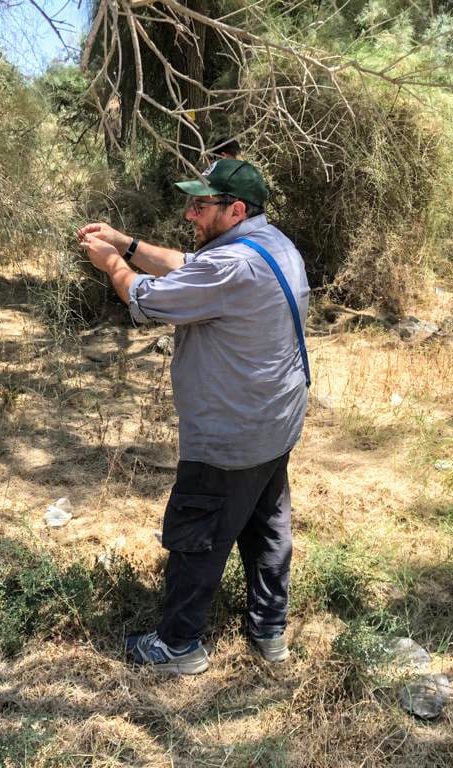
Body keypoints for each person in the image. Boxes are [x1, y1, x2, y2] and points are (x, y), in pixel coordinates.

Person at [77, 159, 310, 674]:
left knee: (196, 533)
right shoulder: (271, 244)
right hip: (275, 424)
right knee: (266, 525)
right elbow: (188, 265)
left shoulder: (231, 266)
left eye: (201, 206)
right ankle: (268, 632)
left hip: (230, 435)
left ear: (236, 209)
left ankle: (179, 646)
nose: (189, 214)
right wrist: (127, 242)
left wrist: (111, 264)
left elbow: (145, 297)